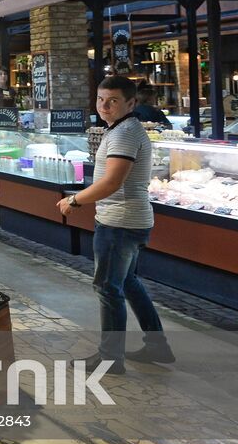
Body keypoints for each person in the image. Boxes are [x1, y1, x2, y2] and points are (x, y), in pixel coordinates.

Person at [57, 76, 172, 373]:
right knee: (129, 282)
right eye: (100, 99)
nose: (104, 107)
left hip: (120, 222)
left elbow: (112, 182)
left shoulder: (124, 134)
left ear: (131, 103)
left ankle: (110, 359)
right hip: (131, 219)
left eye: (113, 101)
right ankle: (158, 345)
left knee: (108, 287)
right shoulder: (123, 129)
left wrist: (75, 200)